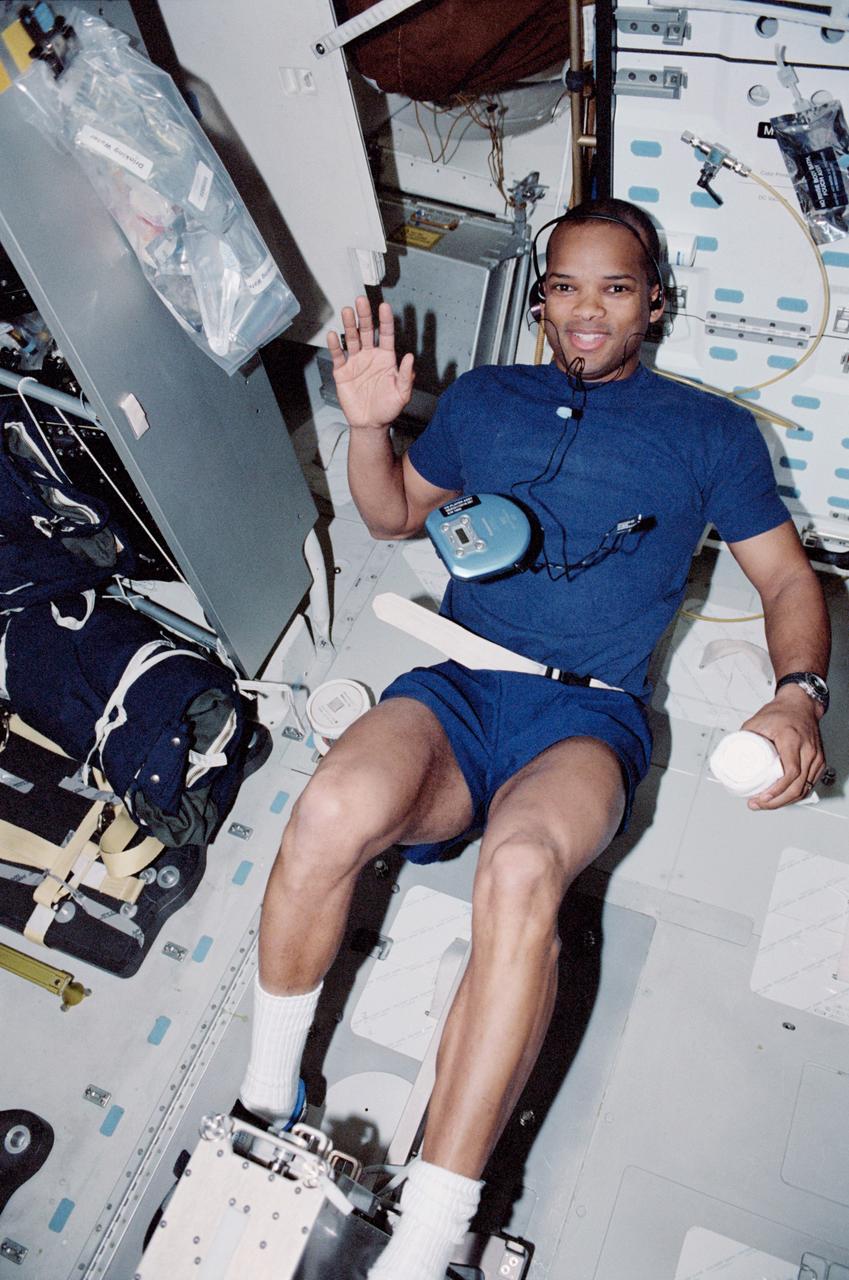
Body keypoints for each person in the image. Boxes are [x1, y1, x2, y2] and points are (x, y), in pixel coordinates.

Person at [240, 198, 830, 1280]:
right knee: (327, 807)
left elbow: (788, 575)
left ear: (655, 303)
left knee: (519, 874)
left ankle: (428, 1236)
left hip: (586, 710)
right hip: (459, 682)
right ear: (543, 297)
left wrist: (798, 691)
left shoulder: (710, 432)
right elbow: (388, 518)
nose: (587, 310)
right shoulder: (485, 398)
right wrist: (369, 426)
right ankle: (262, 1109)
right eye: (565, 285)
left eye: (615, 287)